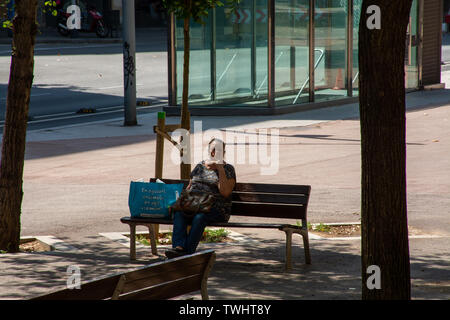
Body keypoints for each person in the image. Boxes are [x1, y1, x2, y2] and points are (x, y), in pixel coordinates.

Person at [165, 138, 236, 259]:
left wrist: (220, 169)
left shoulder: (228, 169)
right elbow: (189, 187)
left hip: (216, 209)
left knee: (200, 217)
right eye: (213, 149)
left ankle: (186, 253)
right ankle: (179, 248)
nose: (215, 153)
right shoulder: (199, 166)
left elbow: (225, 192)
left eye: (219, 150)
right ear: (209, 151)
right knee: (179, 213)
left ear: (223, 152)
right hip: (195, 205)